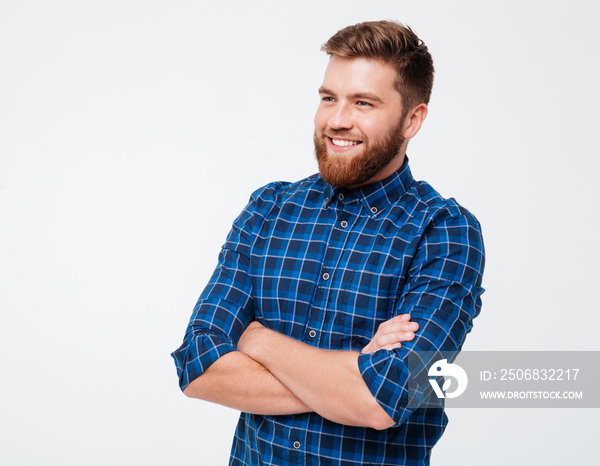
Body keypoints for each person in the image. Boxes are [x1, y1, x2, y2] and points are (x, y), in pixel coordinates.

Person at [172, 20, 485, 465]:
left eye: (363, 102)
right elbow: (198, 366)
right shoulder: (269, 208)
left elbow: (383, 400)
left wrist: (258, 341)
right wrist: (354, 370)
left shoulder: (445, 232)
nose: (337, 120)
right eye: (328, 98)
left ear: (412, 119)